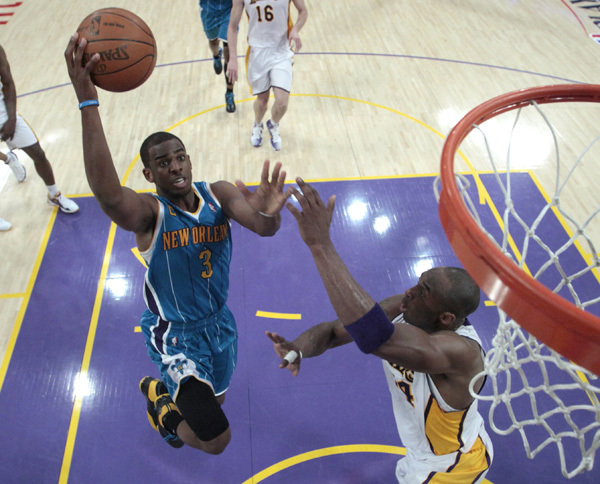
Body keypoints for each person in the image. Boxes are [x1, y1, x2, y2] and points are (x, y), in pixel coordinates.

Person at [65, 33, 292, 454]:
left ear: (189, 159)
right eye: (163, 163)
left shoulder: (219, 193)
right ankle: (164, 413)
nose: (176, 166)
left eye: (180, 156)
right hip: (176, 336)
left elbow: (264, 230)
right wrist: (87, 100)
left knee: (217, 400)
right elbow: (110, 194)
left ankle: (176, 403)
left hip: (219, 325)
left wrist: (270, 212)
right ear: (150, 175)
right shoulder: (150, 214)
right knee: (215, 440)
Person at [267, 179, 494, 483]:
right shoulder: (404, 307)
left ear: (445, 318)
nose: (410, 291)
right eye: (418, 280)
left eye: (422, 291)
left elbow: (373, 336)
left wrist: (321, 244)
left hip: (451, 467)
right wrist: (298, 348)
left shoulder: (459, 353)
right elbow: (334, 332)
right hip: (426, 454)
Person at [0, 43, 79, 231]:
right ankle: (8, 159)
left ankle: (54, 195)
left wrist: (11, 118)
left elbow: (8, 83)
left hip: (3, 113)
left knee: (38, 154)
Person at [226, 0, 308, 151]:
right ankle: (257, 123)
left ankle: (273, 124)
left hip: (281, 50)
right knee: (262, 101)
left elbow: (303, 11)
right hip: (258, 52)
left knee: (282, 102)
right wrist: (232, 58)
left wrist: (295, 29)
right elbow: (232, 27)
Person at [199, 0, 236, 113]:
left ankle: (229, 93)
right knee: (213, 42)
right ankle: (216, 55)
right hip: (209, 10)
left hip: (228, 10)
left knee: (228, 49)